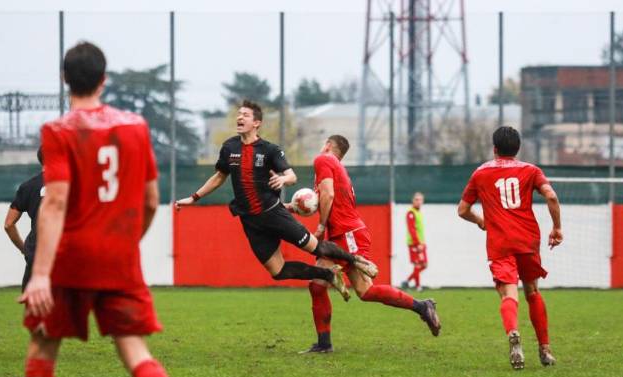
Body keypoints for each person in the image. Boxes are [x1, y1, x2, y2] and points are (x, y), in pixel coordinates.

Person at [19, 42, 180, 377]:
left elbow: (55, 202)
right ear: (103, 80)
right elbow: (151, 199)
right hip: (118, 260)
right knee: (135, 351)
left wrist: (40, 274)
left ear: (64, 79)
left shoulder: (57, 131)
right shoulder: (136, 128)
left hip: (70, 260)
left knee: (42, 347)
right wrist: (128, 243)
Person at [175, 101, 378, 295]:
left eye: (245, 115)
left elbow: (291, 175)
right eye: (239, 114)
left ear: (256, 123)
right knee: (278, 271)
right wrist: (194, 198)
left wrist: (283, 180)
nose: (239, 117)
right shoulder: (229, 147)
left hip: (274, 214)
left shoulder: (270, 149)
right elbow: (219, 176)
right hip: (250, 221)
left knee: (316, 247)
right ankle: (328, 275)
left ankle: (358, 261)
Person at [297, 135, 441, 354]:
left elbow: (328, 194)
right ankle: (421, 306)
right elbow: (326, 198)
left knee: (320, 284)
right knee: (362, 291)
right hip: (346, 233)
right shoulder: (337, 167)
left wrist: (320, 226)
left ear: (328, 145)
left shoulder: (323, 159)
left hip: (346, 235)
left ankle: (324, 344)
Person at [457, 126, 562, 370]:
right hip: (528, 239)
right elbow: (552, 196)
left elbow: (462, 209)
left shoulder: (481, 173)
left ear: (494, 149)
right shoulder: (531, 170)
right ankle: (545, 349)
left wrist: (481, 220)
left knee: (509, 294)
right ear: (518, 149)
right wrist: (557, 228)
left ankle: (513, 332)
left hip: (500, 242)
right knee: (533, 292)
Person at [4, 148, 44, 290]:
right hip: (67, 256)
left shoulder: (28, 187)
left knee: (35, 309)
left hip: (36, 254)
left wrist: (24, 249)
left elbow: (8, 224)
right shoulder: (73, 185)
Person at [401, 192, 427, 292]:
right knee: (418, 264)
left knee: (424, 265)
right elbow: (412, 229)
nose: (418, 201)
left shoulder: (419, 213)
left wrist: (422, 242)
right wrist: (417, 243)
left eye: (420, 199)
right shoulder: (411, 213)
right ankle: (418, 286)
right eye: (416, 199)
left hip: (421, 242)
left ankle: (407, 281)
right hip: (414, 243)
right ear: (412, 200)